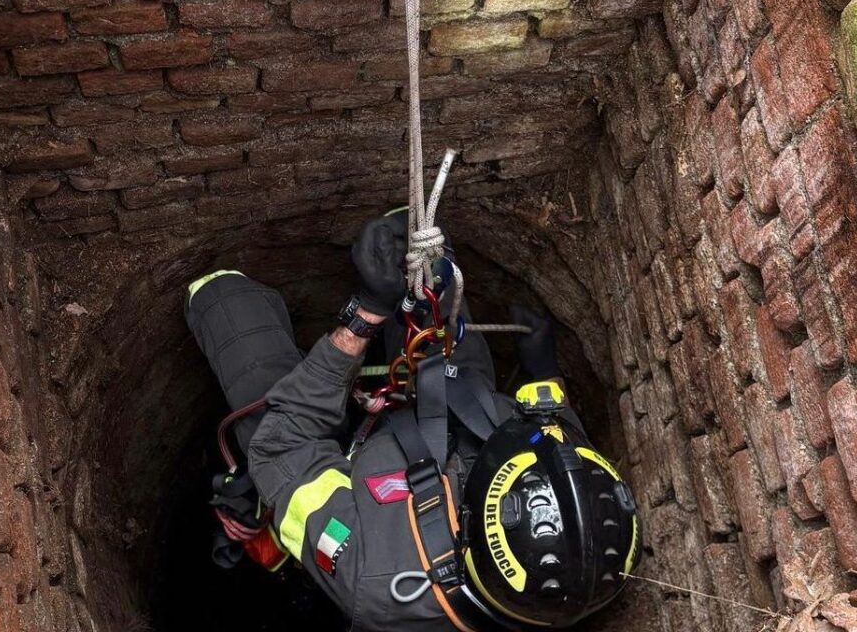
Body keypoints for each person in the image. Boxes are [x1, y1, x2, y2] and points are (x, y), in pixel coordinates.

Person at [186, 211, 640, 631]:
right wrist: (543, 375)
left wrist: (364, 315)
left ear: (470, 524)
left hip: (332, 471)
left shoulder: (375, 576)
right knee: (414, 253)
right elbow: (557, 431)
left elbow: (283, 447)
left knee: (226, 305)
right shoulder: (587, 528)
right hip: (446, 420)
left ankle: (218, 293)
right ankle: (404, 262)